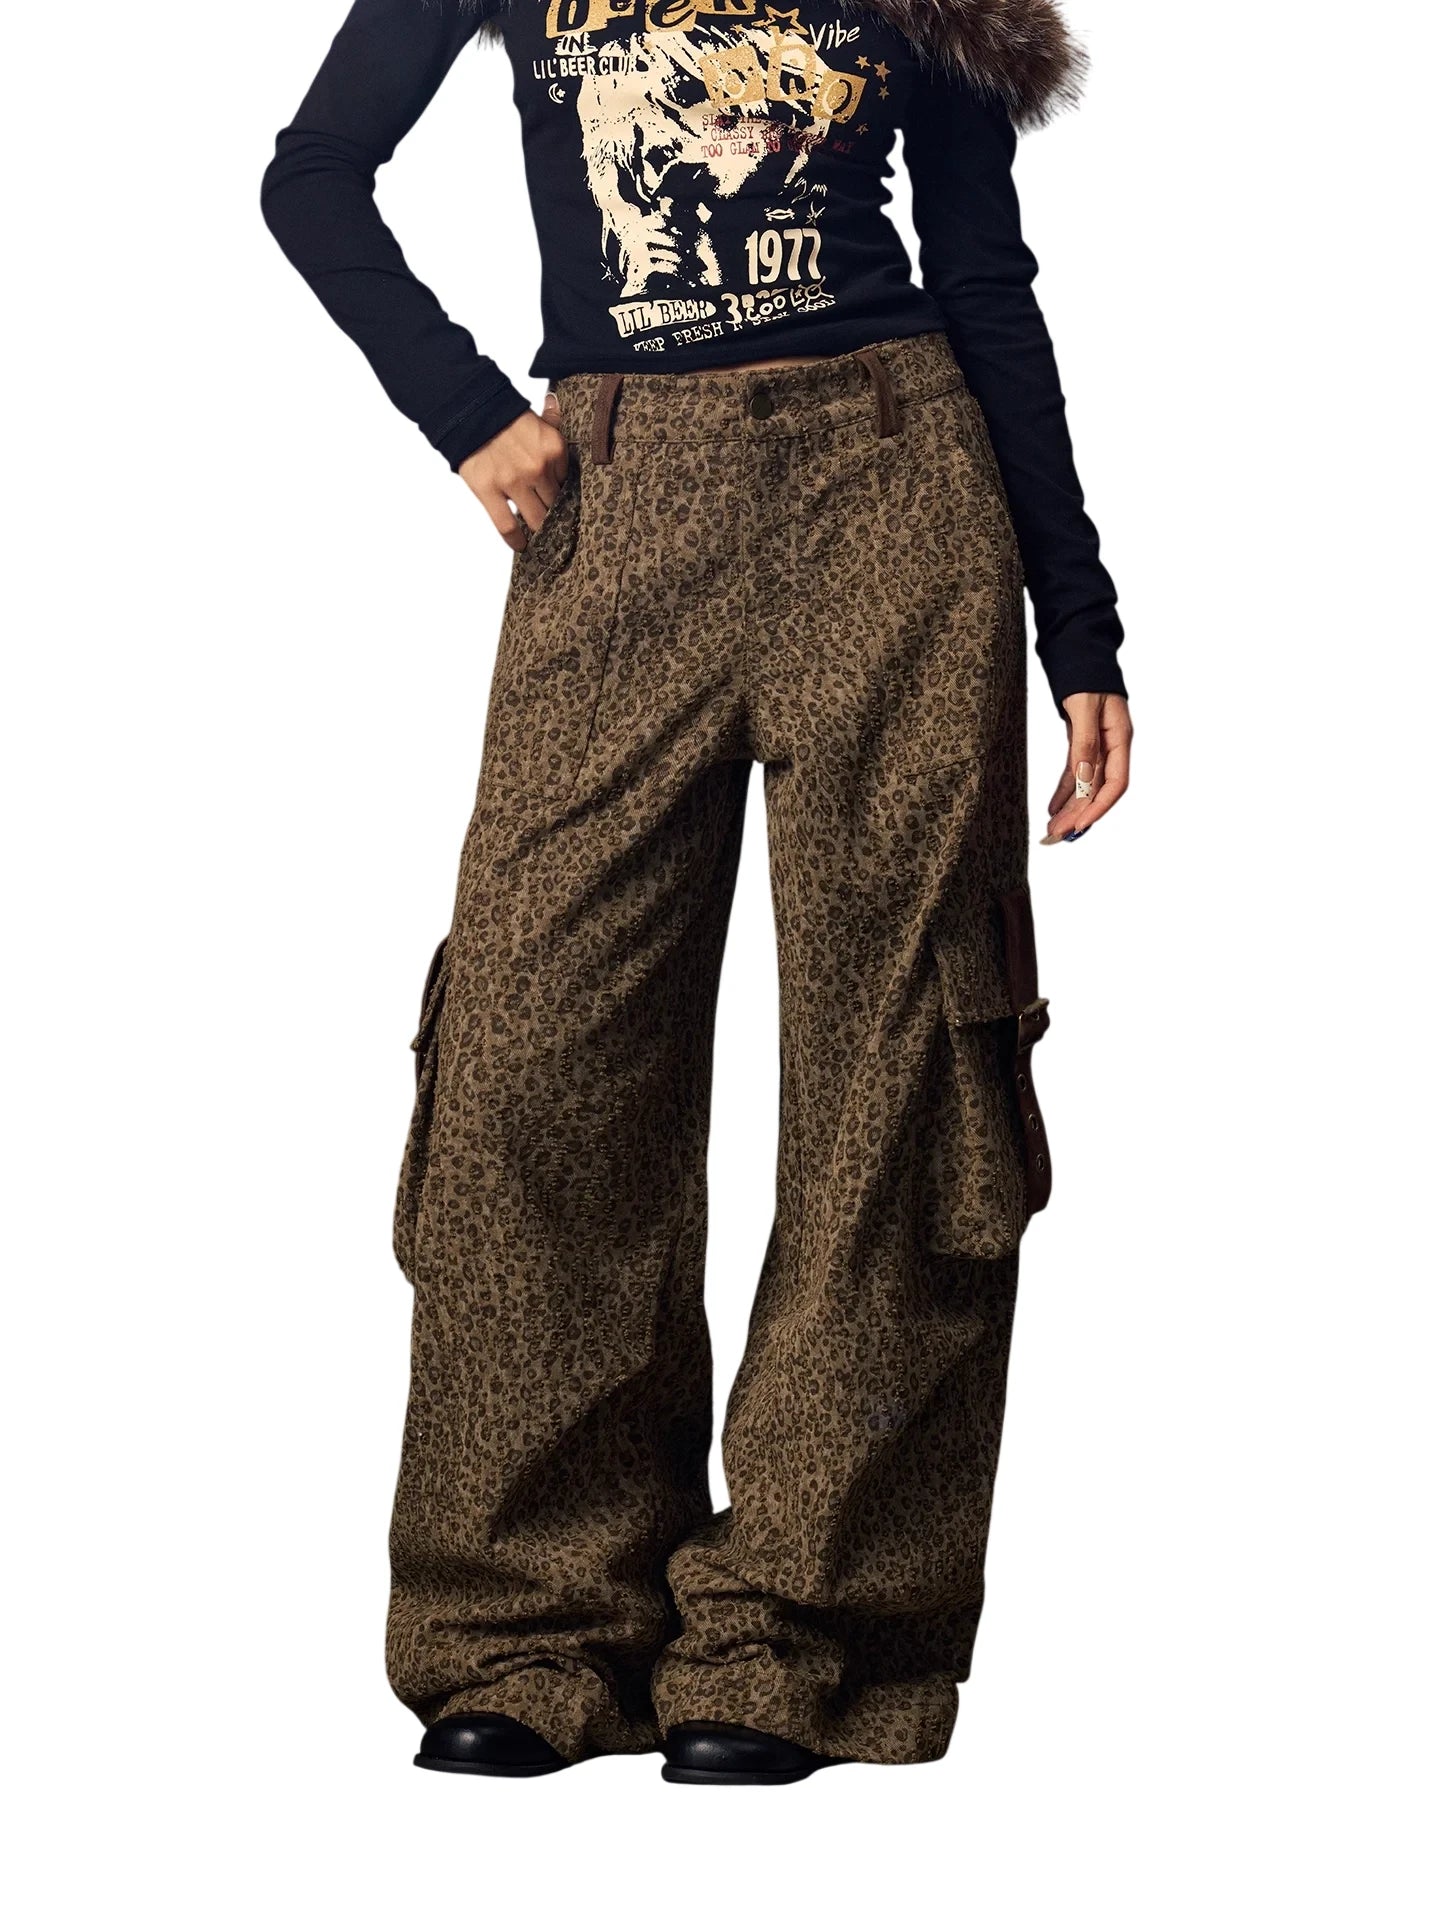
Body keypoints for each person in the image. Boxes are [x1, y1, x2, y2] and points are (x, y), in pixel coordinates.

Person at [262, 0, 1133, 1786]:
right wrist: (466, 414)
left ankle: (798, 1633)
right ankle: (533, 1625)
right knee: (532, 1055)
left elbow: (985, 275)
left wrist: (1080, 617)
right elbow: (314, 176)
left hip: (897, 485)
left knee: (900, 1071)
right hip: (614, 494)